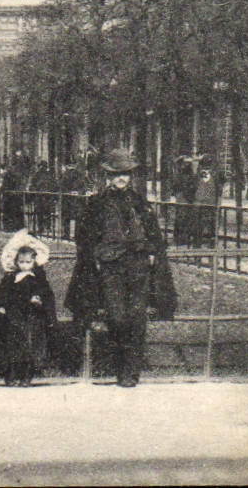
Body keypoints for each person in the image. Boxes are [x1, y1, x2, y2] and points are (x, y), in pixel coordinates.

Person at [66, 149, 176, 387]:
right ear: (108, 176)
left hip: (137, 267)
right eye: (116, 174)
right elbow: (83, 238)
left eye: (125, 174)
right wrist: (96, 256)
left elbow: (154, 235)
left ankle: (130, 373)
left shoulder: (139, 202)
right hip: (110, 268)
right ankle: (120, 366)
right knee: (116, 317)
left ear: (130, 176)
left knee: (137, 319)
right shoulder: (97, 203)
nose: (121, 178)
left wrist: (151, 253)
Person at [0, 230, 57, 386]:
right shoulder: (11, 278)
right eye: (21, 262)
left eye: (28, 262)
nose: (24, 265)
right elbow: (2, 295)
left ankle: (27, 375)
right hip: (15, 316)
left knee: (30, 346)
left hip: (32, 317)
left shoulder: (38, 278)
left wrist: (39, 301)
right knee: (13, 345)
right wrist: (2, 306)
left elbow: (46, 295)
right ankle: (11, 374)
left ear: (34, 262)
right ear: (16, 262)